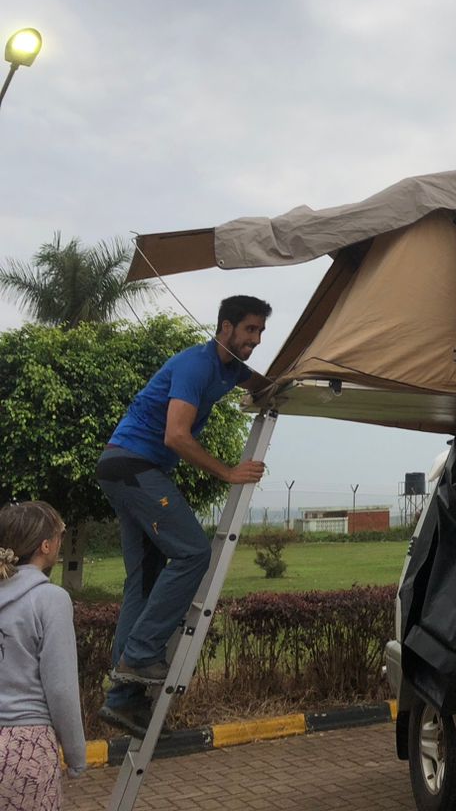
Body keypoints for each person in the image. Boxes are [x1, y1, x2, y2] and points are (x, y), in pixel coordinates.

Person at [95, 295, 272, 736]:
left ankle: (122, 700)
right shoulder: (196, 365)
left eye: (261, 332)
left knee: (146, 579)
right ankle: (140, 655)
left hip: (125, 468)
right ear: (226, 327)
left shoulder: (230, 369)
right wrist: (228, 472)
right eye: (250, 329)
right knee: (193, 552)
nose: (255, 339)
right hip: (133, 465)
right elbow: (176, 435)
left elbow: (265, 384)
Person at [0, 501, 87, 809]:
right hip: (26, 747)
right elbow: (61, 687)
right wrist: (76, 754)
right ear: (45, 545)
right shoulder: (50, 599)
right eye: (59, 535)